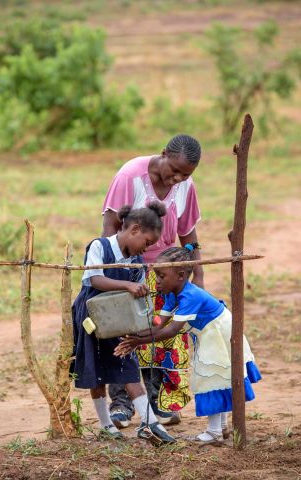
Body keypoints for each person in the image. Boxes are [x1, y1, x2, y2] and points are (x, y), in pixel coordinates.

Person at [102, 134, 203, 428]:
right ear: (163, 154)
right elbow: (110, 226)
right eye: (174, 170)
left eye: (186, 174)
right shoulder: (130, 176)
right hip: (129, 270)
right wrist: (115, 269)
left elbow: (188, 235)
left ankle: (159, 403)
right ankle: (121, 404)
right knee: (125, 335)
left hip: (167, 274)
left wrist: (198, 275)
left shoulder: (185, 186)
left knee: (162, 334)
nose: (178, 178)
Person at [114, 245, 262, 446]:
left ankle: (214, 431)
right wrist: (136, 333)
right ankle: (220, 427)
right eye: (156, 275)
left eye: (161, 276)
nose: (156, 280)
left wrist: (139, 341)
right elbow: (160, 323)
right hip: (209, 334)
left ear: (181, 275)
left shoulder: (189, 295)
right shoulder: (171, 292)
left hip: (219, 333)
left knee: (212, 378)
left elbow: (171, 331)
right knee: (218, 377)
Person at [72, 202, 175, 444]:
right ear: (135, 229)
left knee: (128, 367)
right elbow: (95, 278)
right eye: (147, 242)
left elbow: (135, 298)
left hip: (119, 320)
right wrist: (128, 285)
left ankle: (149, 423)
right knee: (96, 372)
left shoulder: (137, 261)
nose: (147, 248)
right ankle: (106, 425)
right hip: (92, 317)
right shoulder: (100, 246)